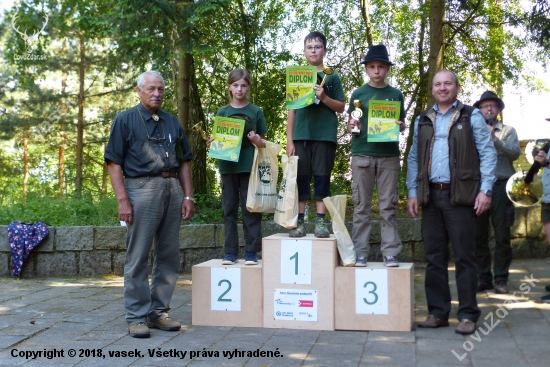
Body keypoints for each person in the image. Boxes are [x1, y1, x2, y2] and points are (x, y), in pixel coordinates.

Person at [104, 71, 194, 338]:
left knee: (168, 254)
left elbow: (185, 160)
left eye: (161, 90)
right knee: (138, 255)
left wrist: (188, 196)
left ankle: (158, 313)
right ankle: (136, 316)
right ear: (139, 91)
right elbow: (113, 162)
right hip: (140, 189)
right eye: (152, 89)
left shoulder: (172, 121)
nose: (157, 94)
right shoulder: (125, 120)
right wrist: (123, 200)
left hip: (172, 188)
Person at [406, 70, 497, 335]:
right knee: (434, 258)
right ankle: (437, 313)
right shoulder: (422, 119)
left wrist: (486, 190)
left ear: (457, 87)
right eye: (438, 84)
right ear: (432, 89)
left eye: (448, 83)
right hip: (430, 197)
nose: (443, 88)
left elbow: (487, 153)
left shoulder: (472, 115)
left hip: (462, 197)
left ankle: (468, 315)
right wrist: (413, 191)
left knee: (465, 258)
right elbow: (413, 158)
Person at [346, 44, 405, 267]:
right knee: (361, 206)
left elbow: (401, 124)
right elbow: (351, 127)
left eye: (381, 66)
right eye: (372, 67)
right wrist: (353, 124)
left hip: (389, 156)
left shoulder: (395, 94)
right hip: (362, 155)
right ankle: (361, 252)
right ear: (367, 69)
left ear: (387, 68)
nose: (377, 71)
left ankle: (390, 252)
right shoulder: (359, 94)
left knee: (387, 206)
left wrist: (399, 126)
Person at [286, 31, 346, 238]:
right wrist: (289, 139)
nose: (313, 50)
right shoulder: (297, 77)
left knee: (322, 178)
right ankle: (300, 223)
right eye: (309, 47)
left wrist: (324, 97)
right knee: (301, 180)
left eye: (317, 47)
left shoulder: (333, 77)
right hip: (301, 136)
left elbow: (341, 107)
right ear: (304, 52)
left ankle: (321, 222)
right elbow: (292, 110)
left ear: (324, 51)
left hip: (324, 136)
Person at [206, 69, 267, 266]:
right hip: (227, 168)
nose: (239, 89)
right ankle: (230, 252)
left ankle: (251, 252)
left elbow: (262, 143)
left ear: (248, 87)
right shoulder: (223, 112)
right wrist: (212, 143)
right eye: (235, 85)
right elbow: (218, 140)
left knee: (250, 209)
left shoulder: (256, 111)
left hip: (249, 167)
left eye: (243, 85)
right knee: (229, 210)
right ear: (229, 87)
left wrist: (257, 140)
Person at [473, 91, 520, 294]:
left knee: (502, 235)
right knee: (478, 236)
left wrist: (495, 139)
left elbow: (515, 154)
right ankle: (484, 278)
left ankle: (501, 279)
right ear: (480, 110)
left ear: (499, 110)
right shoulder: (471, 130)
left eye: (493, 106)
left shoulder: (508, 131)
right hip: (479, 187)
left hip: (501, 186)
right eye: (485, 106)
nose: (489, 109)